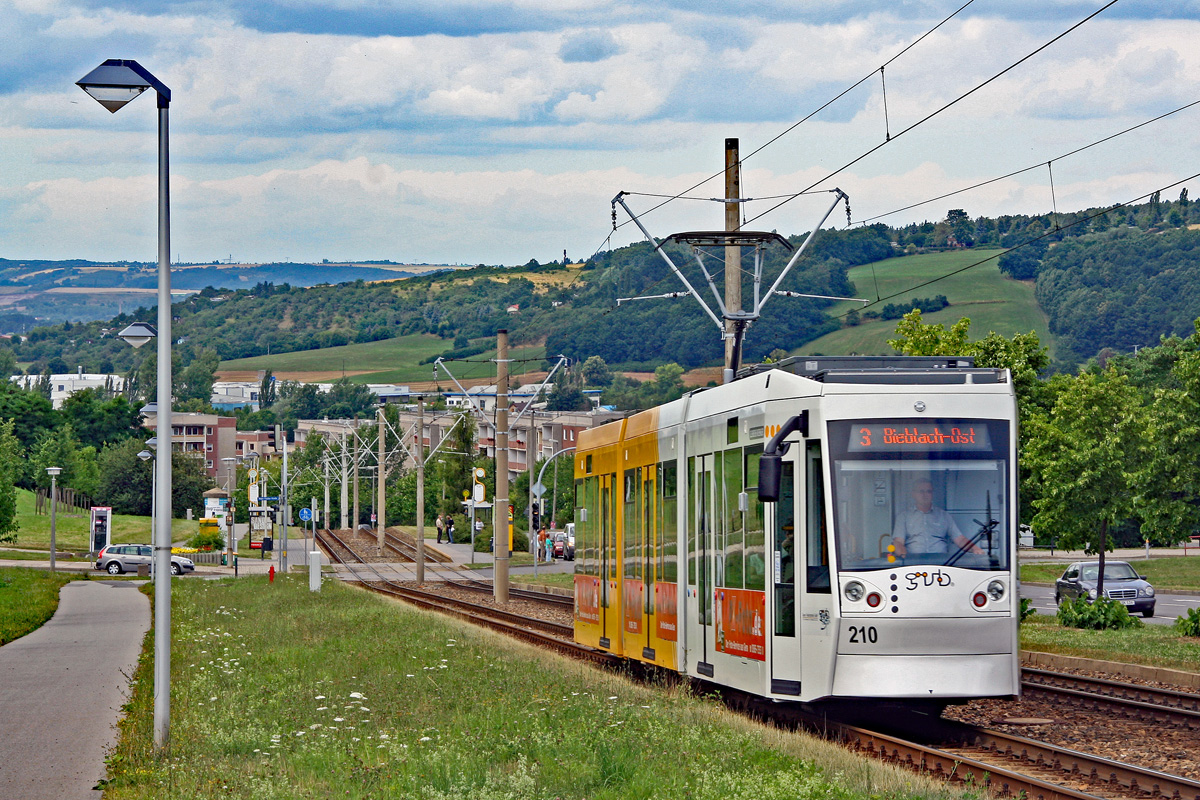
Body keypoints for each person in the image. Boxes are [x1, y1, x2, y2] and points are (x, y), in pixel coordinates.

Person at [892, 478, 984, 556]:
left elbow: (960, 539)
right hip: (914, 564)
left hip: (941, 564)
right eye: (921, 491)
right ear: (913, 494)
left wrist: (975, 549)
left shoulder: (944, 516)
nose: (925, 495)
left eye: (928, 491)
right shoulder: (903, 516)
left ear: (932, 494)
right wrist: (903, 557)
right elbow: (898, 542)